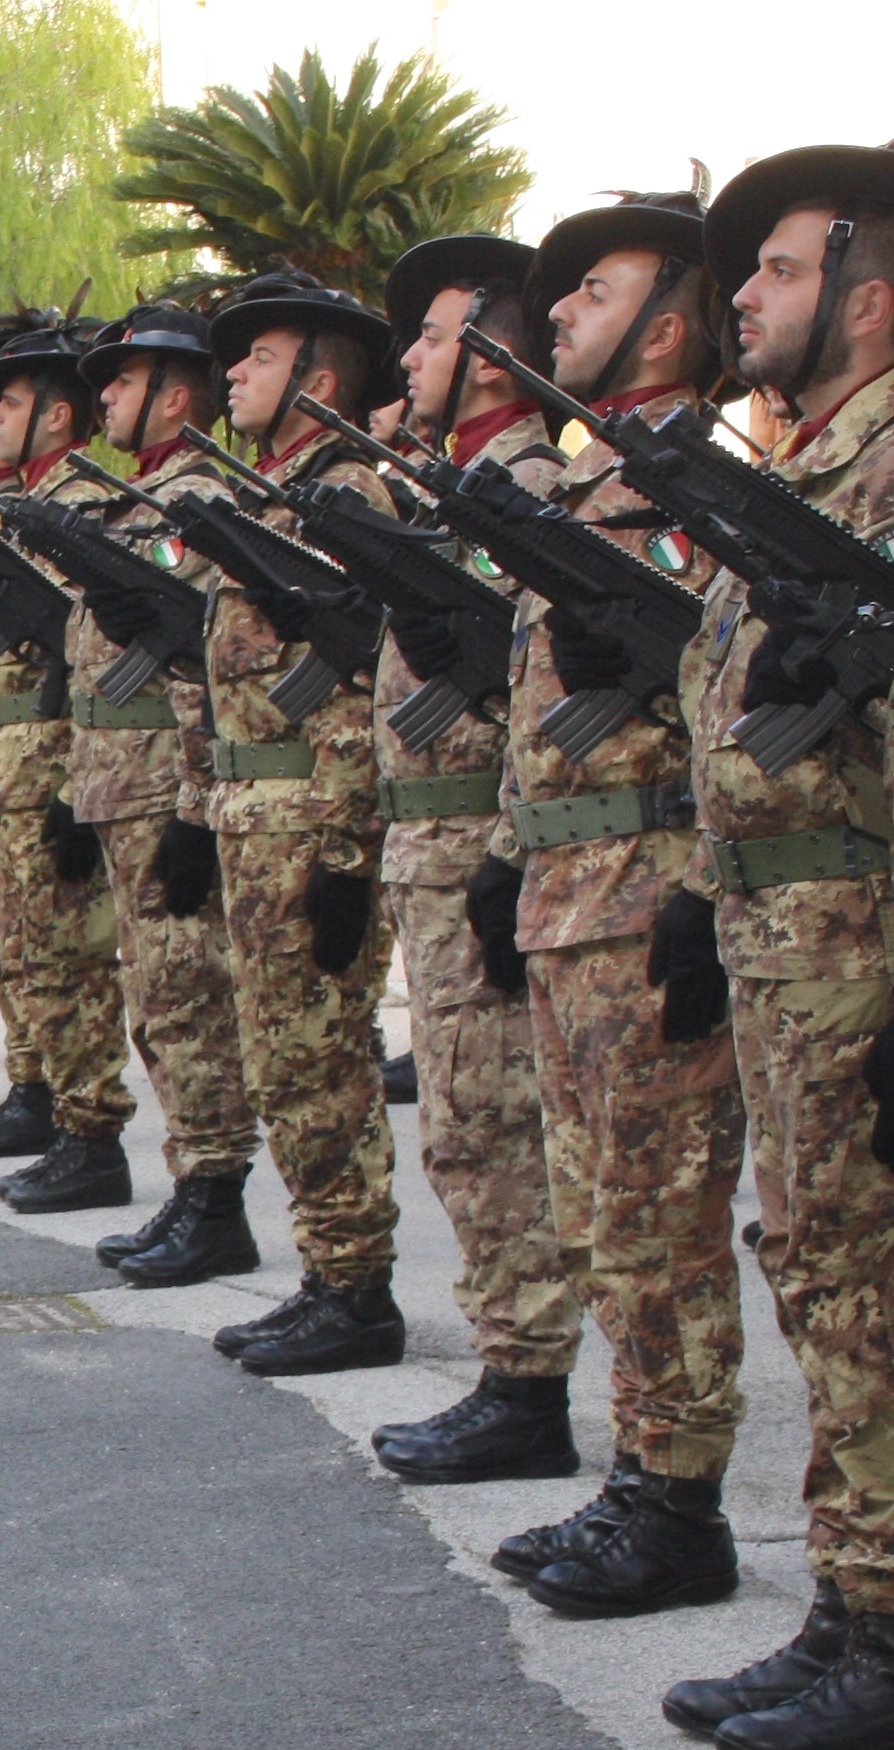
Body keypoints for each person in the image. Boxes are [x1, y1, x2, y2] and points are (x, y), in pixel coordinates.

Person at [467, 189, 750, 1621]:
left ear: (668, 327)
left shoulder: (710, 486)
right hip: (572, 900)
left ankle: (680, 1505)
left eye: (595, 291)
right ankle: (639, 1473)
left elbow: (740, 715)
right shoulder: (593, 485)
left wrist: (699, 891)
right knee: (599, 1216)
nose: (563, 312)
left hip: (648, 905)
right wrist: (507, 849)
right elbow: (541, 718)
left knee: (661, 1219)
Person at [658, 145, 894, 1750]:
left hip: (864, 949)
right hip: (788, 949)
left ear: (869, 300)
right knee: (825, 1277)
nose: (743, 292)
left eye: (782, 269)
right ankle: (856, 1603)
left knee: (872, 1289)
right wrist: (702, 888)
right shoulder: (801, 477)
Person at [360, 235, 584, 1484]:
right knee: (461, 1125)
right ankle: (511, 1373)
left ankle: (526, 1385)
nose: (407, 357)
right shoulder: (455, 488)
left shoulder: (530, 491)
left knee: (492, 1127)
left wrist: (502, 850)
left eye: (434, 336)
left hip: (481, 852)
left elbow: (543, 703)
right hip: (436, 845)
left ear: (492, 356)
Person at [196, 272, 405, 1376]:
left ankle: (357, 1289)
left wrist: (342, 855)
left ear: (317, 382)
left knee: (319, 1062)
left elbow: (356, 682)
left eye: (260, 357)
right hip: (254, 819)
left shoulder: (344, 496)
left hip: (305, 828)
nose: (233, 373)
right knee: (283, 1062)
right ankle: (327, 1272)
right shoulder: (272, 493)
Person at [56, 305, 264, 1278]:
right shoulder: (134, 498)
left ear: (175, 397)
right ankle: (192, 1187)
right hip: (120, 785)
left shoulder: (195, 501)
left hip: (161, 788)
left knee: (186, 998)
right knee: (155, 999)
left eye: (124, 380)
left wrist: (191, 805)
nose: (103, 395)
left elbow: (198, 661)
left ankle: (215, 1198)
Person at [0, 312, 137, 1193]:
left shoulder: (83, 505)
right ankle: (44, 1096)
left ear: (58, 414)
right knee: (18, 951)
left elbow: (82, 653)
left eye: (10, 404)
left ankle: (90, 1132)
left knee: (65, 959)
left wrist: (71, 783)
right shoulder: (27, 505)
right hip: (7, 763)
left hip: (48, 762)